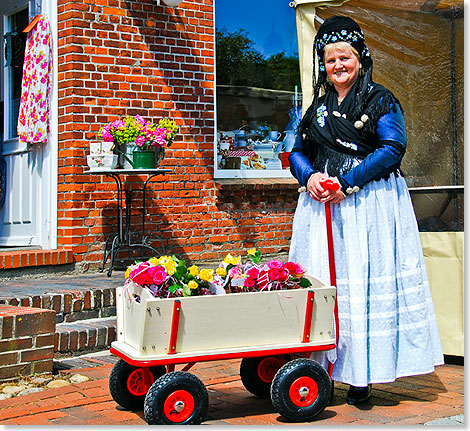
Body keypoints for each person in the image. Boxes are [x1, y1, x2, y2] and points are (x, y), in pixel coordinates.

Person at [288, 15, 443, 405]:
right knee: (323, 281)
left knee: (361, 283)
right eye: (330, 60)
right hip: (322, 205)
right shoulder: (316, 108)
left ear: (361, 58)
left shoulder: (381, 100)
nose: (337, 66)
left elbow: (392, 149)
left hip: (366, 202)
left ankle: (362, 375)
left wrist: (347, 182)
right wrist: (309, 178)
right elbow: (296, 151)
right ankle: (318, 365)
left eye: (345, 58)